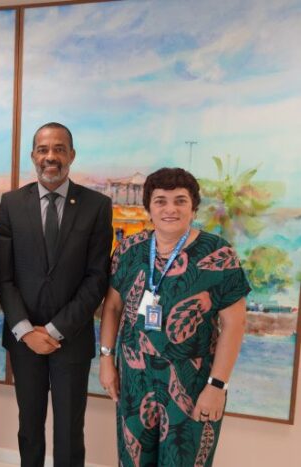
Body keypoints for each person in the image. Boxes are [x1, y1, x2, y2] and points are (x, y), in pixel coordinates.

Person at [99, 167, 250, 467]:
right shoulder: (129, 250)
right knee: (133, 460)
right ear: (149, 208)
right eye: (161, 201)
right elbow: (112, 307)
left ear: (193, 208)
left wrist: (217, 386)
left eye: (180, 200)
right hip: (134, 377)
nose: (170, 209)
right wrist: (106, 359)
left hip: (192, 381)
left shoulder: (219, 254)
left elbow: (235, 324)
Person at [0, 122, 113, 466]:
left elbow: (96, 278)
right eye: (43, 149)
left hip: (71, 340)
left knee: (69, 432)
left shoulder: (97, 206)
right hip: (24, 341)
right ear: (33, 156)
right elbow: (3, 277)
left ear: (71, 155)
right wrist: (25, 330)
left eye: (59, 149)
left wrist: (54, 329)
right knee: (29, 428)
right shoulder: (11, 203)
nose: (51, 157)